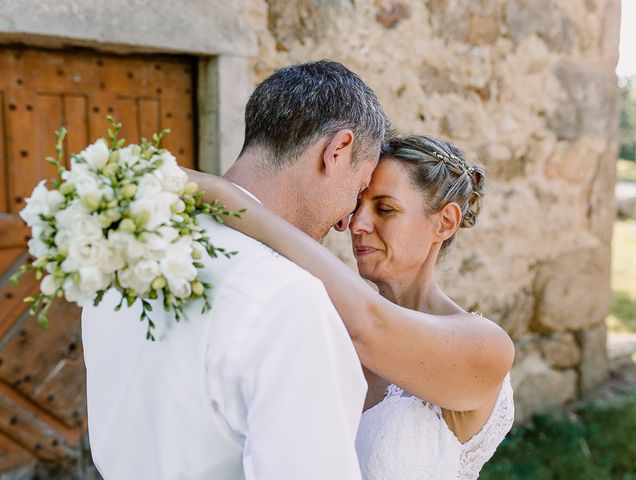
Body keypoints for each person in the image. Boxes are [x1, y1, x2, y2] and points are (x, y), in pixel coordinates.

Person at [81, 60, 389, 479]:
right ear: (336, 151)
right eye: (357, 190)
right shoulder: (288, 295)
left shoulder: (127, 254)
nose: (344, 222)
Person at [186, 134, 515, 479]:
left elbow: (371, 327)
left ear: (445, 222)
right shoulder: (326, 325)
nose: (358, 225)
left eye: (385, 209)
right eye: (358, 205)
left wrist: (225, 197)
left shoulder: (485, 347)